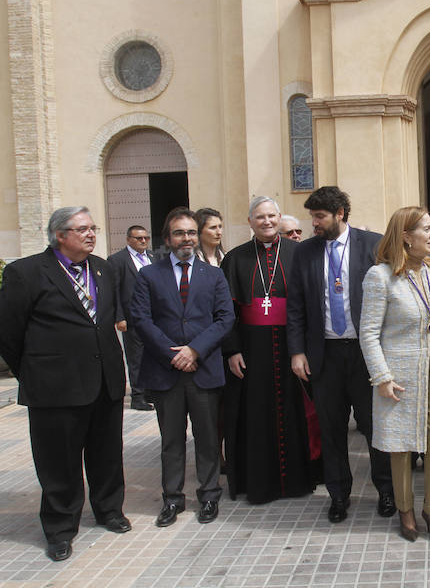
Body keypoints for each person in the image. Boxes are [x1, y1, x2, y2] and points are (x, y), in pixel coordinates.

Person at [0, 206, 130, 561]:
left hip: (104, 380)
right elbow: (9, 334)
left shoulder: (102, 269)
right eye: (82, 229)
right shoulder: (25, 273)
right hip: (54, 387)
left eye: (93, 228)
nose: (91, 234)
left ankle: (109, 510)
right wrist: (35, 372)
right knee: (59, 462)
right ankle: (59, 528)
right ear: (60, 235)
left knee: (106, 453)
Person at [287, 185, 395, 523]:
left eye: (319, 217)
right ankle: (338, 495)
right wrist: (297, 352)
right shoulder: (303, 253)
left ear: (340, 214)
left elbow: (392, 297)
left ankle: (387, 490)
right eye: (312, 217)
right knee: (332, 429)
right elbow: (295, 308)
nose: (314, 224)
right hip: (324, 357)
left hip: (365, 355)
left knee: (374, 425)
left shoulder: (373, 245)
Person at [359, 206, 430, 545]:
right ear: (405, 236)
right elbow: (369, 333)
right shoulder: (380, 276)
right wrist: (382, 377)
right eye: (427, 229)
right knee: (400, 446)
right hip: (398, 376)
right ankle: (405, 509)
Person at [130, 207, 235, 528]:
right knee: (171, 440)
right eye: (179, 233)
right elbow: (140, 319)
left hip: (203, 370)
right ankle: (172, 498)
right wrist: (172, 353)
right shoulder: (149, 274)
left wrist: (195, 350)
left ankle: (208, 496)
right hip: (166, 371)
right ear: (168, 239)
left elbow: (225, 318)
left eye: (191, 232)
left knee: (206, 438)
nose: (186, 238)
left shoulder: (214, 275)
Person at [221, 197, 319, 505]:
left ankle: (299, 481)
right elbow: (226, 311)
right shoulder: (235, 259)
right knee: (255, 414)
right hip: (251, 349)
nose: (267, 221)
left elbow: (310, 304)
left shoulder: (298, 253)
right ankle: (258, 484)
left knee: (296, 413)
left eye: (272, 216)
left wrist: (302, 348)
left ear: (279, 219)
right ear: (250, 221)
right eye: (260, 217)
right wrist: (232, 349)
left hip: (293, 347)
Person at [109, 224, 156, 411]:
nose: (143, 241)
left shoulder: (153, 257)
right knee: (136, 357)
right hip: (132, 318)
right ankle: (138, 396)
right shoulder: (117, 260)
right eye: (139, 238)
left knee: (153, 354)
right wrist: (119, 317)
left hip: (154, 318)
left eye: (146, 238)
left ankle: (150, 390)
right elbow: (114, 290)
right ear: (129, 239)